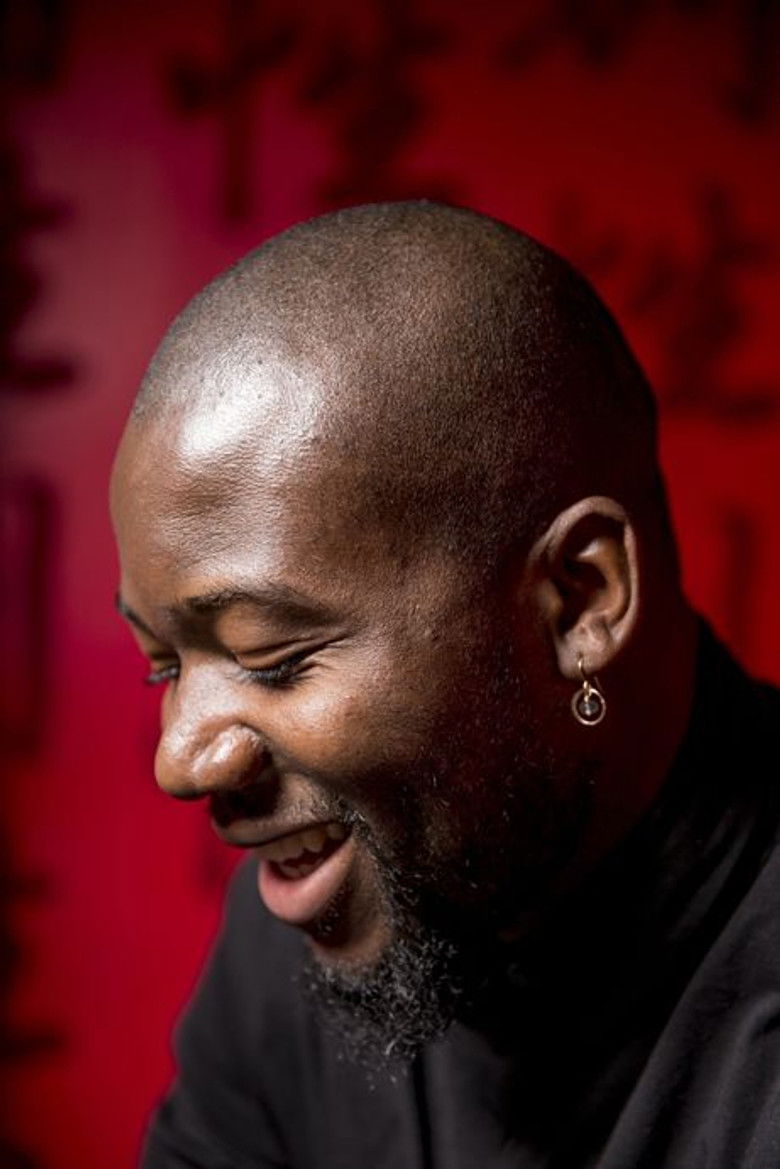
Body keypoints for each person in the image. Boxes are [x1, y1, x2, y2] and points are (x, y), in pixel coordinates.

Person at [111, 202, 780, 1169]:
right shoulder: (307, 926)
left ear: (578, 601)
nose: (181, 758)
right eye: (165, 663)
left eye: (271, 655)